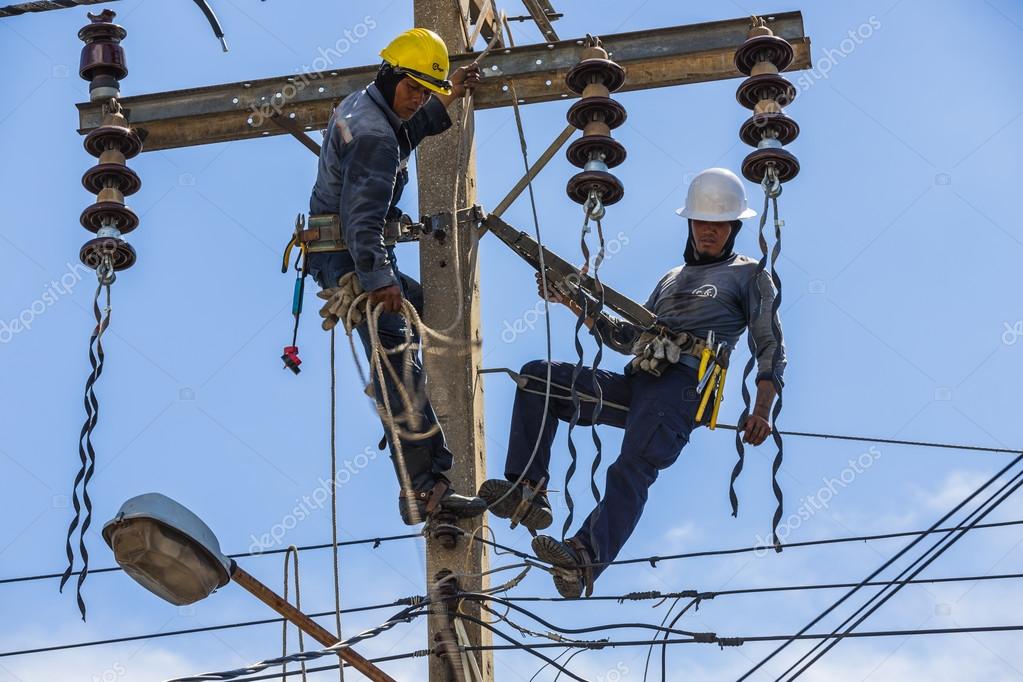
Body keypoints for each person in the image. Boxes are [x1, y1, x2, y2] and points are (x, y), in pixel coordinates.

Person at [478, 168, 786, 597]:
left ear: (734, 228)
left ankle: (584, 559)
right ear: (690, 223)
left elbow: (769, 346)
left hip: (681, 391)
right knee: (538, 378)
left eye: (719, 224)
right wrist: (569, 299)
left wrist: (761, 410)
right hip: (640, 381)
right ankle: (526, 489)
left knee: (630, 467)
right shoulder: (671, 278)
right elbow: (626, 339)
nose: (709, 232)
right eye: (701, 222)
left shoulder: (749, 275)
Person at [306, 28, 486, 525]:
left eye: (426, 91)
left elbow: (405, 124)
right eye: (414, 89)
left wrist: (450, 92)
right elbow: (363, 219)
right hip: (353, 257)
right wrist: (380, 278)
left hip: (340, 251)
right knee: (398, 361)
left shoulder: (365, 105)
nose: (418, 100)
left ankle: (405, 425)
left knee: (422, 310)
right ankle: (423, 486)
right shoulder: (373, 139)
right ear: (390, 75)